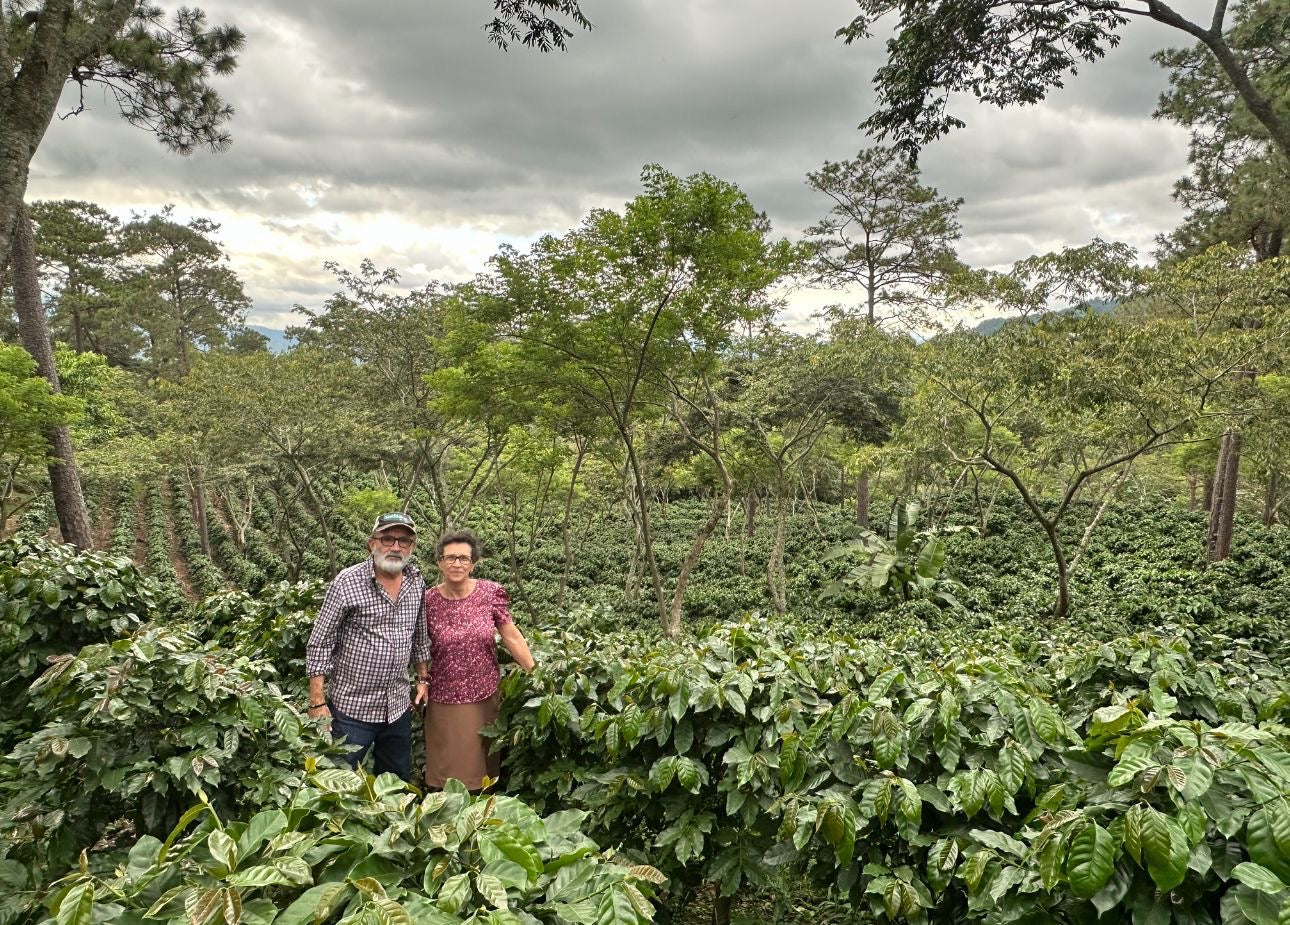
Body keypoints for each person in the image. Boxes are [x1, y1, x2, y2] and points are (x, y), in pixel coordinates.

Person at [305, 511, 430, 780]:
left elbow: (420, 635)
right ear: (372, 543)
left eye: (404, 541)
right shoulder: (347, 582)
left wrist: (422, 678)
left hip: (397, 707)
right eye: (387, 539)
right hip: (351, 709)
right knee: (337, 781)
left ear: (412, 547)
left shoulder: (416, 581)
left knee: (395, 783)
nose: (395, 547)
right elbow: (320, 642)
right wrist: (317, 702)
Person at [423, 529, 535, 790]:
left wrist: (535, 672)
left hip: (484, 694)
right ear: (439, 562)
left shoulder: (489, 593)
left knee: (482, 771)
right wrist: (420, 679)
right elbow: (417, 645)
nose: (457, 564)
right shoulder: (427, 601)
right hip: (444, 696)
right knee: (448, 771)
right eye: (450, 558)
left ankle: (482, 813)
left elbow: (511, 636)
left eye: (464, 558)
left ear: (473, 563)